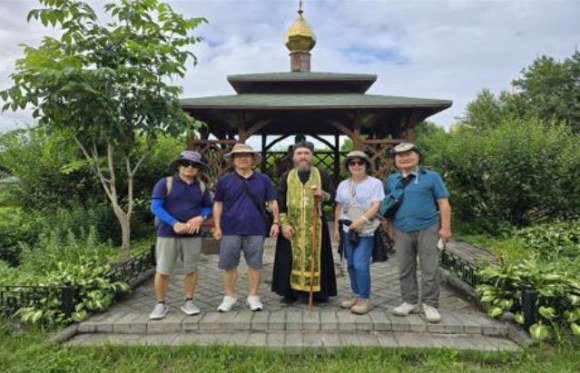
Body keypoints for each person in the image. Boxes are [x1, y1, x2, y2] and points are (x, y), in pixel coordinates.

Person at [381, 143, 451, 323]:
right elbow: (389, 205)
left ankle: (430, 304)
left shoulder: (432, 177)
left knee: (430, 267)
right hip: (401, 228)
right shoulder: (392, 180)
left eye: (408, 154)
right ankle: (409, 301)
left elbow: (443, 203)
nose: (404, 158)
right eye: (399, 156)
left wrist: (446, 227)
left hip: (428, 227)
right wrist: (389, 226)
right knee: (405, 267)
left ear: (417, 156)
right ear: (395, 160)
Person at [213, 143, 279, 312]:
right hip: (230, 228)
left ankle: (254, 296)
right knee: (229, 265)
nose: (243, 158)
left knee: (255, 264)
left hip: (256, 228)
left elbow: (272, 202)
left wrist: (276, 222)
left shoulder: (263, 179)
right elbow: (218, 204)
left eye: (247, 155)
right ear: (233, 160)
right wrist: (217, 226)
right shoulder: (224, 180)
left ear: (252, 159)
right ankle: (229, 296)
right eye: (238, 156)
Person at [149, 150, 212, 320]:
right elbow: (155, 207)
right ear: (178, 166)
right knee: (162, 270)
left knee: (191, 269)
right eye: (186, 164)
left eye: (195, 165)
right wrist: (174, 223)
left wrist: (201, 217)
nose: (190, 168)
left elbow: (208, 207)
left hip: (192, 235)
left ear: (199, 169)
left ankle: (189, 301)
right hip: (167, 234)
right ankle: (160, 304)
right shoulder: (165, 183)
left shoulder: (201, 187)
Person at [271, 141, 337, 303]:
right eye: (299, 153)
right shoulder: (286, 176)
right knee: (289, 259)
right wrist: (283, 224)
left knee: (317, 259)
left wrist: (322, 194)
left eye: (306, 153)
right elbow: (279, 201)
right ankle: (290, 293)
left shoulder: (321, 174)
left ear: (311, 156)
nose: (303, 157)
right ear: (293, 157)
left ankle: (317, 293)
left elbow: (333, 198)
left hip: (316, 227)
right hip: (291, 227)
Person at [334, 151, 385, 315]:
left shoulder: (375, 183)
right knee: (349, 265)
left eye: (360, 163)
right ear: (348, 166)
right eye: (352, 163)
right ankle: (356, 295)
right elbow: (339, 207)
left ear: (366, 165)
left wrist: (361, 220)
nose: (356, 166)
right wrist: (336, 228)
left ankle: (365, 298)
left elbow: (376, 206)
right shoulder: (343, 184)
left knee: (361, 264)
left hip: (365, 230)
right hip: (347, 229)